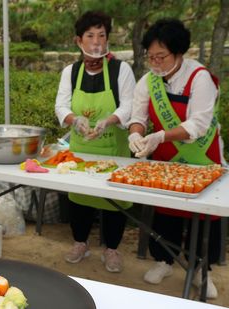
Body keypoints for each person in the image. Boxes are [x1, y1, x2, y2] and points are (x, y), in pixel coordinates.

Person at [128, 19, 225, 299]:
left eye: (162, 57)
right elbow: (138, 117)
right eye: (151, 57)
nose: (155, 63)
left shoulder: (200, 77)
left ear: (179, 53)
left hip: (201, 156)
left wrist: (159, 136)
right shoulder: (148, 81)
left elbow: (198, 125)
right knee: (166, 210)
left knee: (202, 216)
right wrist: (136, 135)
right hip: (166, 158)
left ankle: (200, 269)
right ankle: (165, 260)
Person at [54, 11, 136, 273]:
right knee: (79, 199)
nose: (96, 41)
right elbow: (60, 105)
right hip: (81, 151)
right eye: (90, 35)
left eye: (101, 35)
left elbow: (130, 105)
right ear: (79, 40)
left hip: (114, 151)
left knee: (114, 202)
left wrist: (108, 121)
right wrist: (74, 120)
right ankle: (80, 243)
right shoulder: (71, 71)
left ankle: (111, 250)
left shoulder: (121, 69)